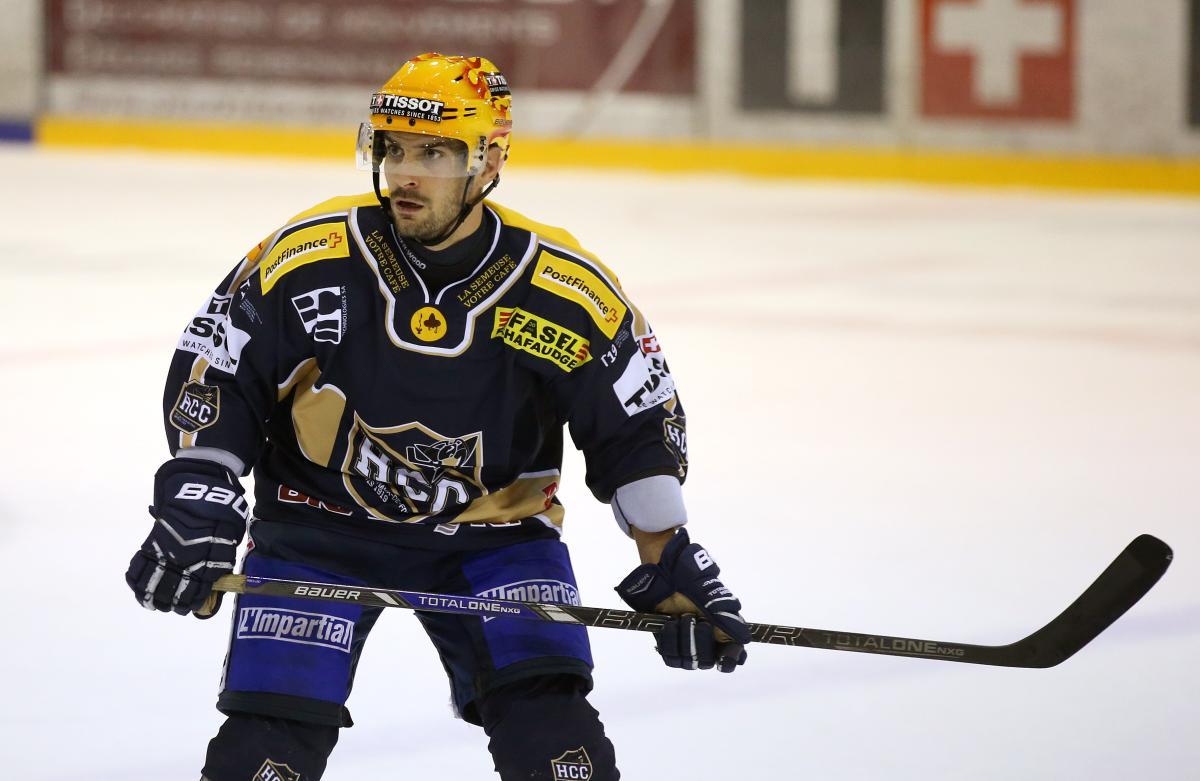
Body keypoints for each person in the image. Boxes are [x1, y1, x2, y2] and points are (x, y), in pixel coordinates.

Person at [124, 52, 750, 781]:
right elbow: (220, 366)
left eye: (434, 152)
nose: (405, 174)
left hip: (496, 537)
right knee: (263, 755)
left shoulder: (562, 287)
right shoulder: (311, 254)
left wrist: (663, 552)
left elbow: (633, 419)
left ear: (488, 161)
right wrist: (200, 491)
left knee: (556, 748)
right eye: (392, 148)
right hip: (316, 528)